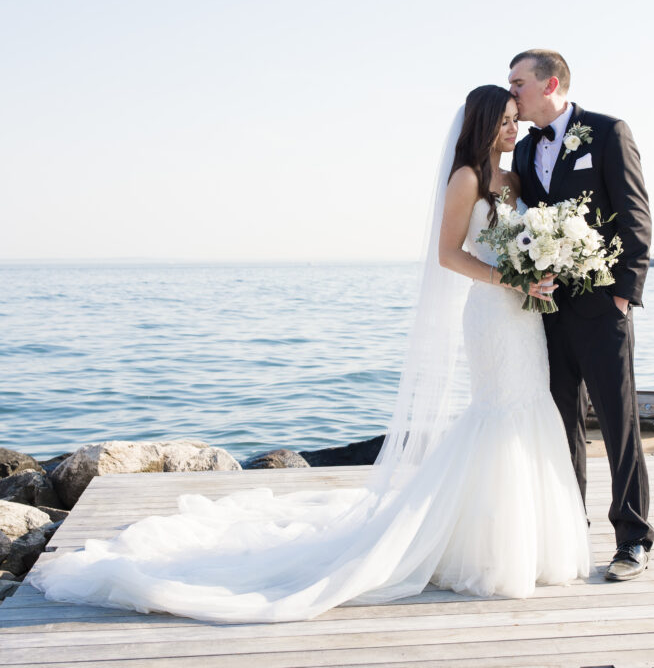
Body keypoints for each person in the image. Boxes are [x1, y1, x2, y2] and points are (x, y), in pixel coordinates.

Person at [30, 85, 590, 623]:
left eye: (517, 118)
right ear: (484, 123)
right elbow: (448, 255)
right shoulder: (466, 178)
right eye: (506, 119)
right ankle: (479, 548)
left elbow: (529, 240)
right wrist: (506, 280)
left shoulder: (515, 181)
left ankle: (529, 543)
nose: (514, 127)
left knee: (529, 408)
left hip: (525, 319)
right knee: (495, 414)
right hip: (492, 315)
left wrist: (539, 271)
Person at [508, 49, 653, 581]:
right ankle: (571, 531)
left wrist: (625, 292)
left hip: (602, 306)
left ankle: (633, 539)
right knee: (561, 422)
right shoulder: (523, 152)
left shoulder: (608, 131)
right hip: (545, 310)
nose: (513, 93)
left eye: (519, 82)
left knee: (619, 421)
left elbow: (635, 212)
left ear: (550, 85)